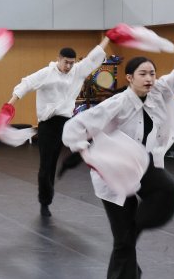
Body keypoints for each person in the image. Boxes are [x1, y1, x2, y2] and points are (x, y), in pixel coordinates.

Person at [62, 50, 174, 279]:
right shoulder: (117, 103)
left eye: (152, 73)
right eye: (143, 74)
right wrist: (84, 151)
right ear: (129, 78)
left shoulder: (157, 93)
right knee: (123, 239)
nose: (149, 78)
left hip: (145, 165)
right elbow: (74, 127)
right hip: (115, 172)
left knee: (169, 193)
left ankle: (133, 228)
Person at [6, 38, 110, 216]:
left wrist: (108, 37)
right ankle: (45, 202)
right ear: (58, 59)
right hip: (48, 124)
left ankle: (70, 162)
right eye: (66, 62)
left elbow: (93, 57)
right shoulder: (46, 73)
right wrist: (9, 105)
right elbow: (26, 84)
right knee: (47, 165)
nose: (68, 66)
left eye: (71, 63)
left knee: (87, 143)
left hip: (67, 123)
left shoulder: (78, 71)